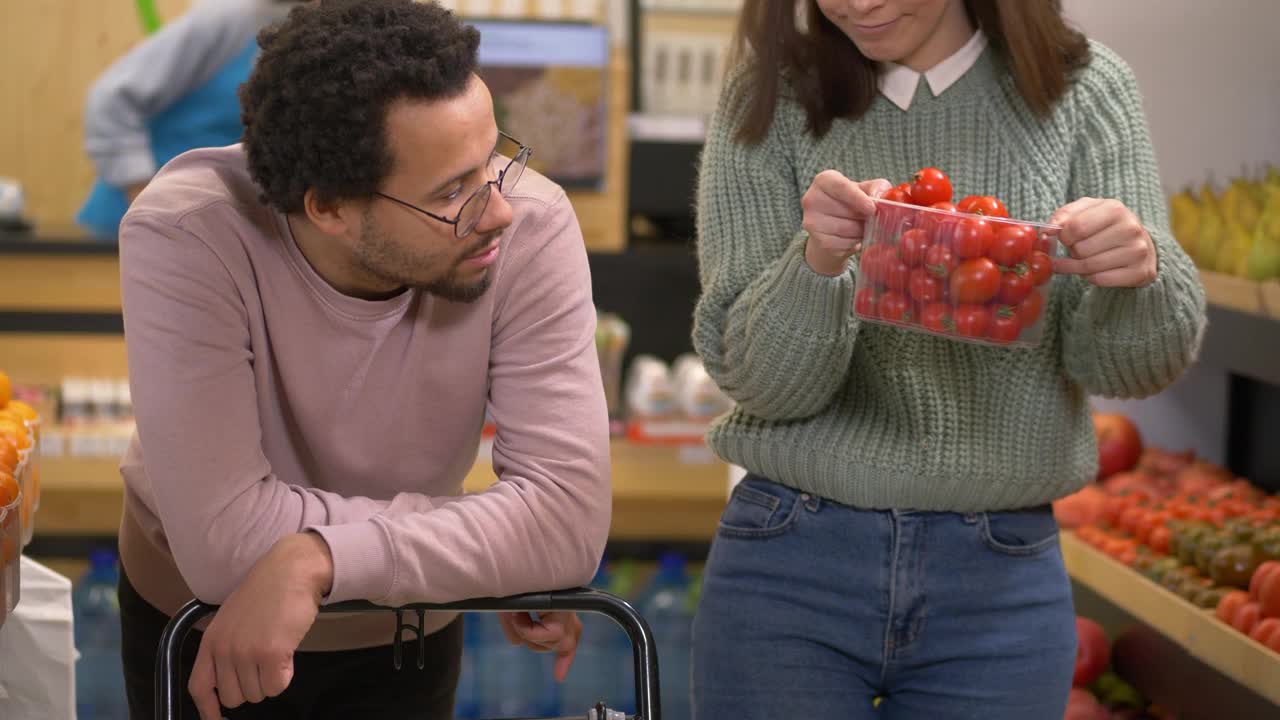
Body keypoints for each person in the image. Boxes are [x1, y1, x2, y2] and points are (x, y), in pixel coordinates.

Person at [690, 1, 1206, 718]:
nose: (855, 2)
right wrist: (817, 263)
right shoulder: (768, 95)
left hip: (1000, 580)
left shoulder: (1084, 89)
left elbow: (1133, 368)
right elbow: (761, 385)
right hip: (790, 562)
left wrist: (1139, 269)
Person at [115, 2, 611, 718]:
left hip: (409, 630)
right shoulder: (187, 233)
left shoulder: (530, 225)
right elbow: (224, 544)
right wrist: (486, 547)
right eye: (451, 193)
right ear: (329, 209)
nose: (499, 209)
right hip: (204, 629)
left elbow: (565, 521)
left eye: (496, 159)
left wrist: (317, 556)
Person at [77, 0, 302, 239]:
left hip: (213, 228)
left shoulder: (314, 28)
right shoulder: (228, 18)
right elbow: (110, 99)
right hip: (140, 224)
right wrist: (146, 200)